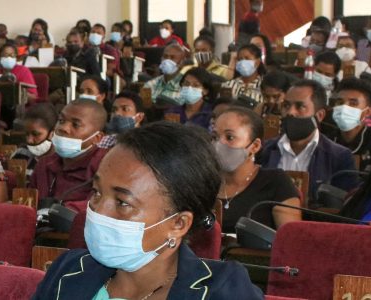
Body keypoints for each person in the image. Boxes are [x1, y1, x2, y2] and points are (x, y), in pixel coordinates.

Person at [32, 122, 262, 299]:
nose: (98, 211)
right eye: (96, 192)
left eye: (123, 203)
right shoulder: (68, 269)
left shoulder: (222, 290)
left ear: (178, 224)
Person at [257, 80, 358, 208]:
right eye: (286, 105)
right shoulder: (264, 150)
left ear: (320, 115)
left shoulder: (339, 157)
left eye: (300, 107)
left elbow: (347, 207)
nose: (290, 112)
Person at [213, 107, 301, 232]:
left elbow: (290, 241)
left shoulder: (275, 182)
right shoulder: (204, 182)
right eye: (215, 137)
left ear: (254, 146)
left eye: (230, 137)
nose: (219, 145)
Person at [31, 100, 108, 212]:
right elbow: (28, 202)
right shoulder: (44, 164)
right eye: (61, 120)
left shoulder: (105, 167)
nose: (63, 128)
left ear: (97, 138)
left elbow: (99, 206)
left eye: (76, 124)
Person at [323, 78, 371, 171]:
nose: (344, 107)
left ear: (367, 112)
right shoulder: (326, 141)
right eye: (340, 102)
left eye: (353, 103)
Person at [12, 104, 57, 176]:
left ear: (52, 133)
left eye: (35, 134)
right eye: (27, 134)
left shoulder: (63, 161)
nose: (29, 140)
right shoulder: (21, 154)